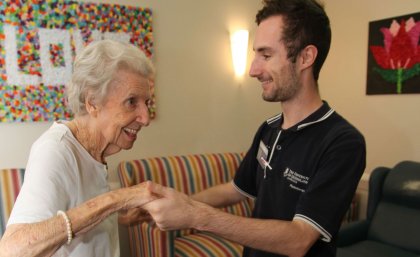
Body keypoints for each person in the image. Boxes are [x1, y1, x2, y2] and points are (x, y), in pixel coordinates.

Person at [141, 0, 366, 257]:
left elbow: (299, 239)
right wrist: (174, 203)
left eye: (266, 55)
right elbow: (235, 189)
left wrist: (196, 215)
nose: (253, 70)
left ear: (306, 57)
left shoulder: (342, 143)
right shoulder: (269, 130)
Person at [0, 39, 156, 257]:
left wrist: (119, 218)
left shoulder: (95, 151)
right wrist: (117, 199)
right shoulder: (55, 150)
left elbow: (77, 215)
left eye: (146, 103)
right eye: (131, 102)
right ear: (92, 102)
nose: (146, 118)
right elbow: (13, 249)